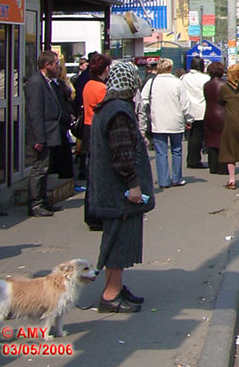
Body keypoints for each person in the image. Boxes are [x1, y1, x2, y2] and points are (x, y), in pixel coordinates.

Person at [88, 59, 154, 313]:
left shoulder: (107, 107)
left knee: (115, 240)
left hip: (109, 190)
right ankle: (111, 294)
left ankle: (114, 288)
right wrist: (134, 185)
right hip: (119, 193)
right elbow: (123, 153)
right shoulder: (119, 111)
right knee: (119, 243)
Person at [138, 58, 191, 189]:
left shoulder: (151, 82)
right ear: (170, 68)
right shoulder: (177, 83)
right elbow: (185, 104)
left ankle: (163, 180)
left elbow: (143, 102)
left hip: (158, 121)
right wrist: (189, 119)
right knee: (177, 150)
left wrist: (143, 123)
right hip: (176, 121)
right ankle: (177, 178)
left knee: (161, 152)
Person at [25, 50, 64, 217]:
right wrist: (39, 137)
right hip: (42, 134)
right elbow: (35, 112)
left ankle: (43, 200)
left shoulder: (47, 81)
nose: (58, 68)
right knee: (39, 168)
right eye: (56, 64)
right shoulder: (36, 82)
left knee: (45, 168)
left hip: (50, 132)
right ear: (47, 65)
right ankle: (36, 203)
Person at [81, 53, 111, 230]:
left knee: (92, 175)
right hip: (97, 131)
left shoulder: (88, 85)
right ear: (105, 68)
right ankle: (97, 214)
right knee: (100, 176)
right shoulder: (102, 89)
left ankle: (91, 214)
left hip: (87, 128)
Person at [181, 57, 209, 169]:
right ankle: (195, 160)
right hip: (202, 109)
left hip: (188, 109)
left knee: (192, 136)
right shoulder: (205, 78)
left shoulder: (184, 78)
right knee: (199, 136)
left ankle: (192, 159)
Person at [203, 61, 226, 174]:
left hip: (209, 113)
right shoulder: (224, 85)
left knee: (211, 141)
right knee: (223, 141)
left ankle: (213, 166)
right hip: (222, 113)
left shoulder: (207, 85)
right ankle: (222, 167)